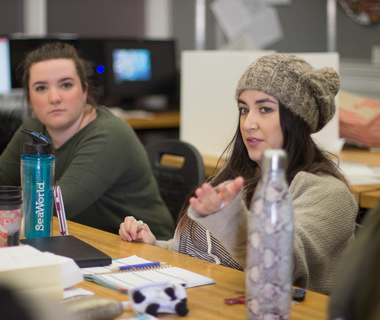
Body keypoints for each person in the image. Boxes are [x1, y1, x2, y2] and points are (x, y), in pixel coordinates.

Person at [119, 53, 358, 294]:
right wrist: (155, 246)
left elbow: (279, 262)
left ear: (297, 119)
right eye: (244, 110)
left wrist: (230, 221)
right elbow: (208, 253)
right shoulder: (238, 175)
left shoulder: (329, 194)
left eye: (265, 109)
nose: (248, 123)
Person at [0, 42, 175, 239]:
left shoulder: (109, 134)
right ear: (29, 98)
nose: (54, 97)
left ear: (84, 91)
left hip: (144, 252)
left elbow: (53, 207)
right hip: (84, 241)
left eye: (66, 85)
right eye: (41, 88)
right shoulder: (33, 129)